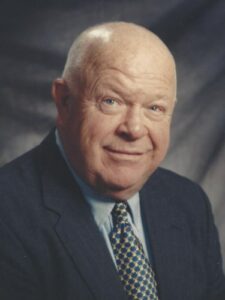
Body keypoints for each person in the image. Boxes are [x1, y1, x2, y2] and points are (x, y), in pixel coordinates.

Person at [0, 22, 224, 300]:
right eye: (111, 101)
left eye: (155, 108)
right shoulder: (7, 213)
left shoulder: (189, 203)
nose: (134, 129)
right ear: (64, 102)